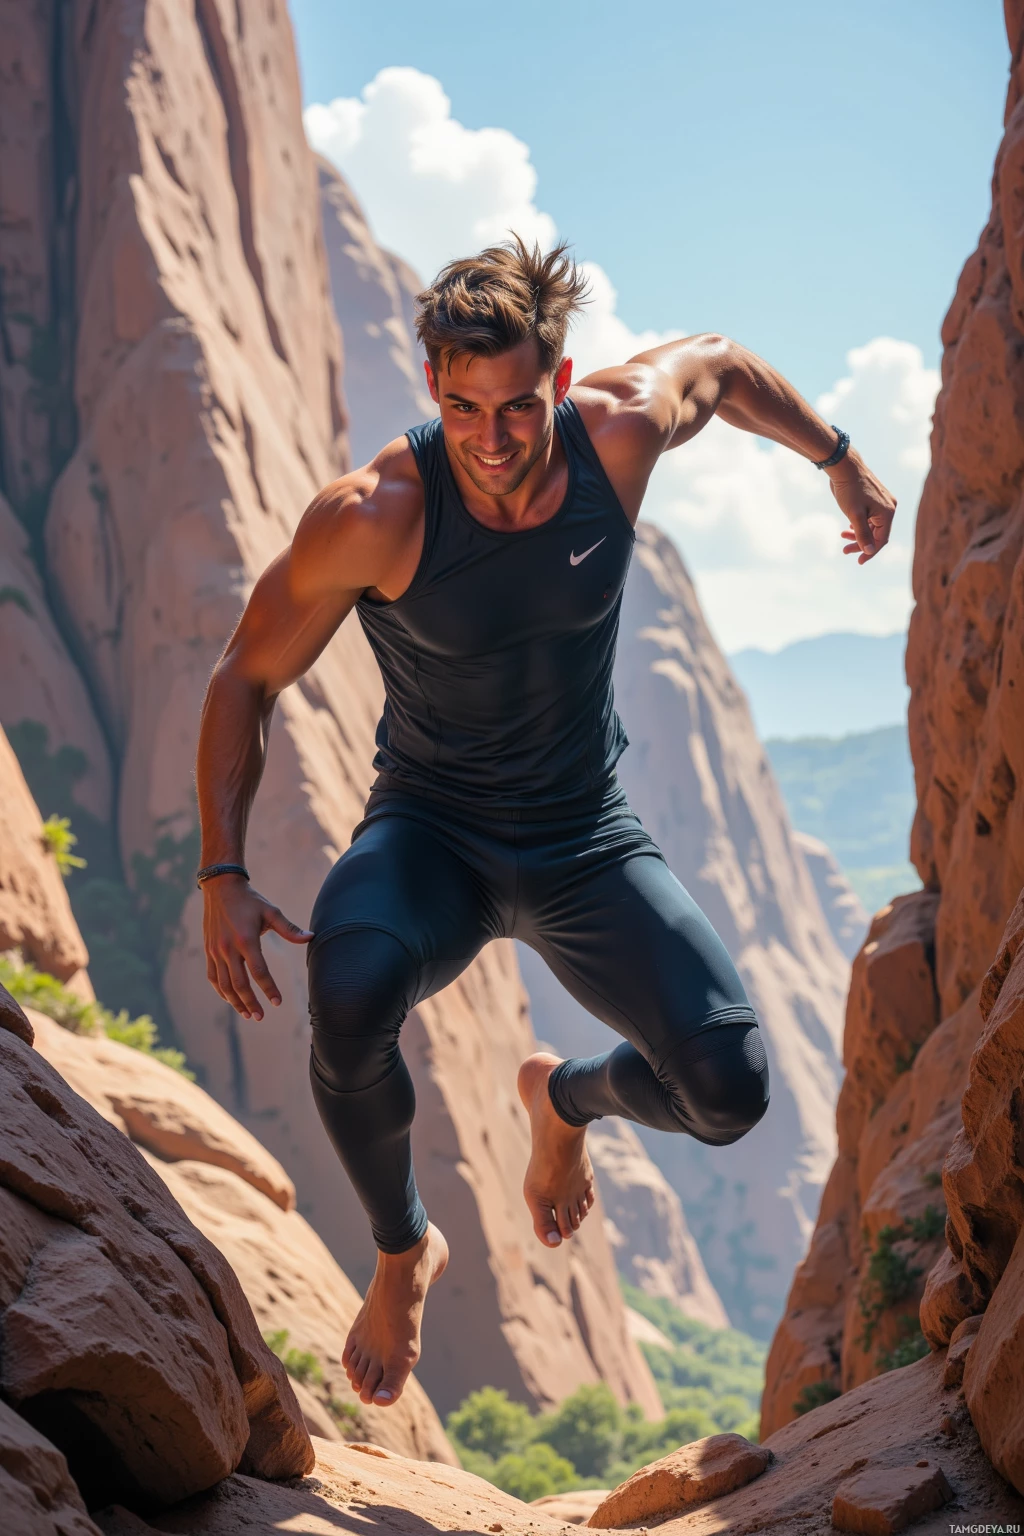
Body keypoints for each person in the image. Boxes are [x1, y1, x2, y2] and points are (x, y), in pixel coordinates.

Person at [195, 236, 896, 1411]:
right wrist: (221, 866)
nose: (493, 439)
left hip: (585, 839)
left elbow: (718, 364)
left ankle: (560, 1101)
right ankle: (403, 1250)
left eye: (518, 406)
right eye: (464, 407)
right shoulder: (377, 514)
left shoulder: (615, 435)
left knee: (728, 1090)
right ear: (432, 385)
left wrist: (841, 458)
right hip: (431, 837)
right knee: (350, 991)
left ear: (559, 386)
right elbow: (241, 678)